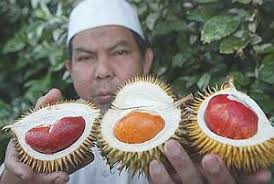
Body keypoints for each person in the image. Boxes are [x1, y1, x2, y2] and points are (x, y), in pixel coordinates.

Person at [0, 0, 272, 183]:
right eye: (85, 57)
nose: (103, 70)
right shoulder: (28, 163)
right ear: (69, 68)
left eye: (119, 52)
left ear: (147, 58)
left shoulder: (191, 142)